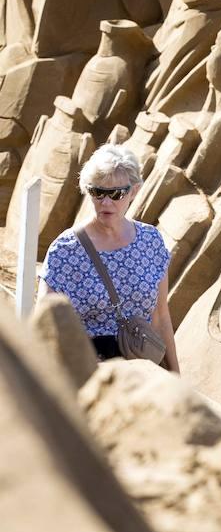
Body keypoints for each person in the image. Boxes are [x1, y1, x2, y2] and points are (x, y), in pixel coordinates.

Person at [37, 143, 179, 371]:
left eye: (116, 194)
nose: (106, 202)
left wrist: (175, 377)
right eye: (98, 192)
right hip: (87, 378)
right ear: (87, 190)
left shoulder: (151, 241)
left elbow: (161, 316)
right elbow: (45, 326)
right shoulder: (65, 250)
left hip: (143, 376)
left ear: (134, 191)